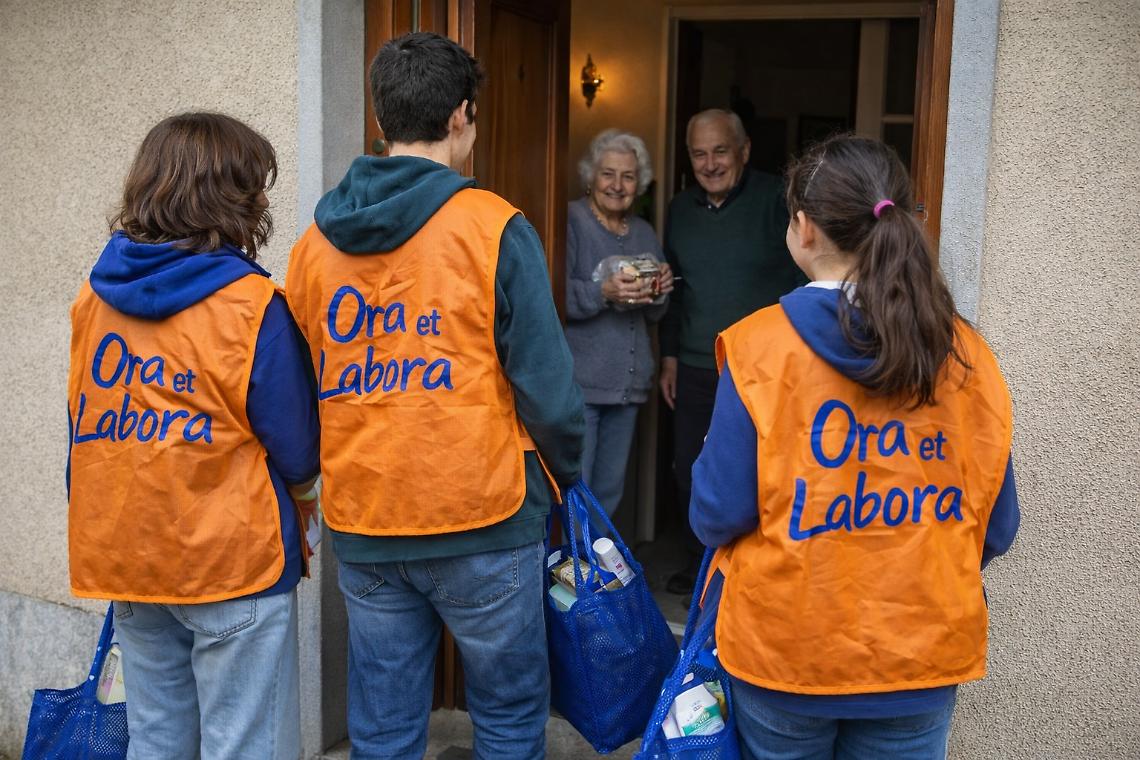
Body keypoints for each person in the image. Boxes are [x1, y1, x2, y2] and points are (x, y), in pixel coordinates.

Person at [285, 32, 584, 759]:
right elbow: (548, 392)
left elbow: (300, 385)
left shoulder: (313, 247)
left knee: (383, 729)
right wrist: (565, 476)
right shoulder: (492, 227)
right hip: (484, 512)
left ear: (382, 119)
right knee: (510, 720)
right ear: (460, 116)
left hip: (367, 517)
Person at [689, 134, 1020, 759]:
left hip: (785, 654)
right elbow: (996, 528)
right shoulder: (967, 355)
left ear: (804, 228)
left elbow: (716, 513)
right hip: (919, 656)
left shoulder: (760, 347)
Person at [67, 112, 320, 760]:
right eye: (255, 186)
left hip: (129, 553)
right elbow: (297, 449)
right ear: (228, 197)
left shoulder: (93, 302)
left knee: (155, 742)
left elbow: (82, 432)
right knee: (247, 748)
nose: (262, 199)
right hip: (231, 562)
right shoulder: (251, 304)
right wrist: (303, 498)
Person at [659, 108, 804, 594]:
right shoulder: (679, 210)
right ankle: (698, 564)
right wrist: (670, 356)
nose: (710, 163)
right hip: (699, 363)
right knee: (688, 468)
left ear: (743, 151)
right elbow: (677, 289)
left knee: (761, 469)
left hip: (763, 368)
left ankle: (749, 569)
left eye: (721, 151)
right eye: (699, 153)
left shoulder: (778, 203)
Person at [565, 128, 674, 527]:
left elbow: (655, 315)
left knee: (609, 493)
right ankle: (573, 582)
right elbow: (555, 296)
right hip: (583, 386)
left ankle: (595, 582)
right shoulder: (572, 220)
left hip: (627, 389)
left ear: (639, 182)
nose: (617, 185)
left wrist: (660, 289)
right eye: (608, 173)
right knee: (579, 491)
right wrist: (602, 291)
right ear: (591, 176)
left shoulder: (643, 232)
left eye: (628, 176)